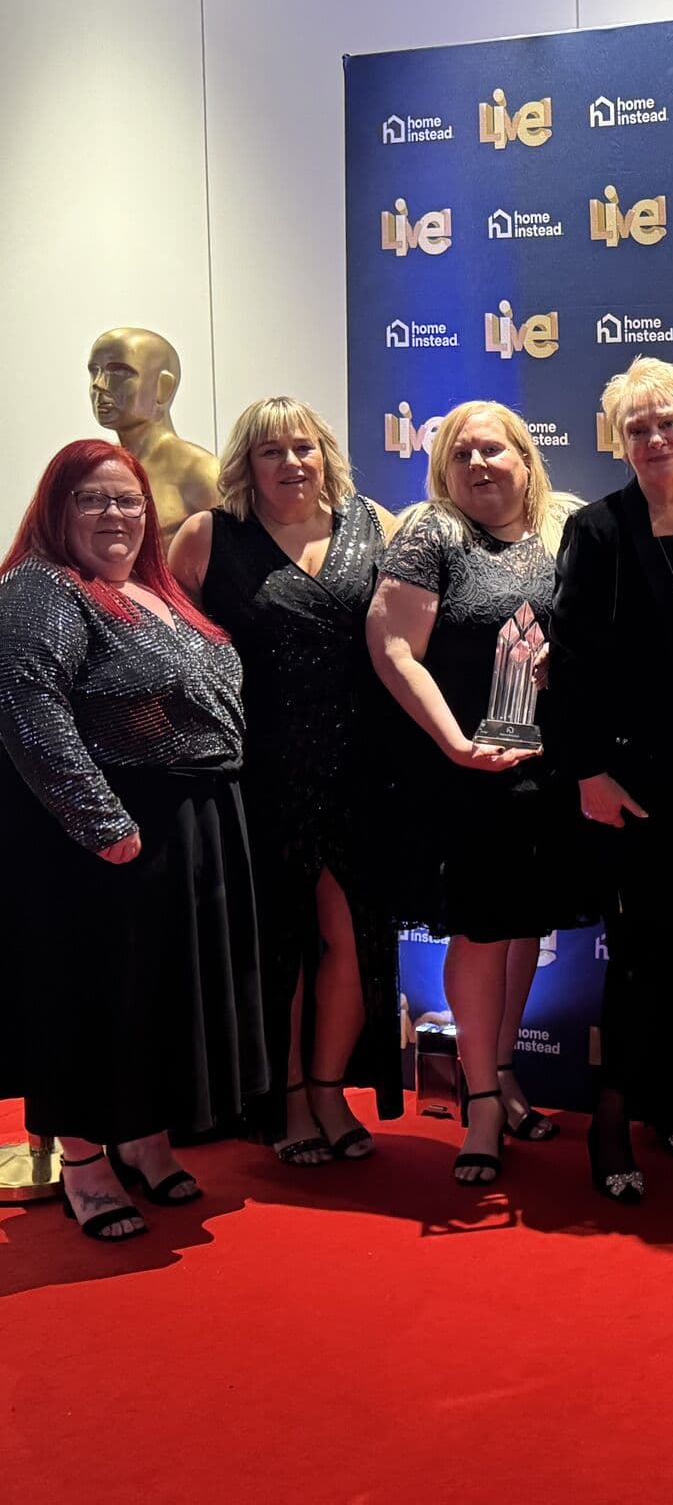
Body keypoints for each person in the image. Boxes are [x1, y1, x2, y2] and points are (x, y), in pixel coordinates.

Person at [0, 439, 265, 1240]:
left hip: (193, 822)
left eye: (128, 501)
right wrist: (102, 824)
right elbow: (29, 709)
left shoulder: (149, 589)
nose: (115, 515)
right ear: (55, 510)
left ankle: (146, 1138)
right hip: (108, 831)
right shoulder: (39, 587)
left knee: (158, 995)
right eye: (92, 500)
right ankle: (84, 1163)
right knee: (97, 995)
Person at [170, 396, 401, 1167]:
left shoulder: (378, 526)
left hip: (359, 770)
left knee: (347, 940)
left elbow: (421, 633)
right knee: (279, 948)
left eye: (303, 448)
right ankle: (289, 1097)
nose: (291, 464)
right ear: (247, 464)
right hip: (257, 774)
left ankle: (331, 1089)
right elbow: (167, 648)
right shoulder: (208, 537)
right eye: (272, 453)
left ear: (325, 452)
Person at [367, 400, 590, 1187]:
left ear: (527, 461)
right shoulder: (432, 533)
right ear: (442, 470)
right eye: (463, 455)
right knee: (483, 933)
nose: (481, 465)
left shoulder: (562, 533)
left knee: (523, 926)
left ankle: (502, 1073)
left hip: (543, 773)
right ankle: (483, 1103)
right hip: (464, 772)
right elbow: (394, 646)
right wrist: (455, 744)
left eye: (495, 451)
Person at [548, 357, 673, 1204]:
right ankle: (612, 1123)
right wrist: (587, 770)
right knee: (639, 960)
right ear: (621, 441)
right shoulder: (597, 530)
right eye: (638, 428)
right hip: (628, 779)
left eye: (668, 424)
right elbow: (570, 665)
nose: (656, 440)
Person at [87, 327, 219, 543]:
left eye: (119, 372)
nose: (98, 384)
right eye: (95, 371)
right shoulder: (96, 470)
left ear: (163, 386)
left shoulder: (204, 475)